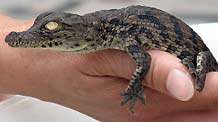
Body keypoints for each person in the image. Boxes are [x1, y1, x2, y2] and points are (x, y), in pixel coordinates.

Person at [0, 14, 218, 122]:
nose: (31, 36)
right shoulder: (107, 32)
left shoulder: (120, 33)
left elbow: (143, 62)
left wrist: (133, 88)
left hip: (201, 57)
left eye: (50, 29)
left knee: (200, 79)